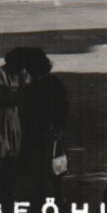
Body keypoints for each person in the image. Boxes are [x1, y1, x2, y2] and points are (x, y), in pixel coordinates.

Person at [22, 48, 68, 202]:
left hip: (36, 130)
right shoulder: (54, 82)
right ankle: (59, 196)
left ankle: (41, 197)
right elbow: (63, 106)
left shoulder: (31, 88)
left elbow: (26, 112)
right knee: (55, 164)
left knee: (38, 165)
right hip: (51, 128)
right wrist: (59, 127)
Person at [0, 49, 31, 203]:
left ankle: (9, 190)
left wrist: (14, 97)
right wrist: (20, 95)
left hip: (15, 118)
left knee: (13, 154)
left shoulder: (23, 73)